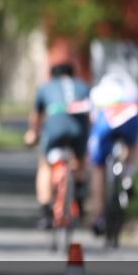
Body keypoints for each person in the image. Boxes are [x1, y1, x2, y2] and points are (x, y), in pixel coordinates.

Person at [23, 62, 91, 230]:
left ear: (52, 75)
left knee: (45, 165)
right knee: (80, 161)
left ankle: (46, 213)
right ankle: (80, 199)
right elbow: (91, 114)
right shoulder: (83, 86)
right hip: (79, 130)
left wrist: (33, 133)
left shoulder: (46, 87)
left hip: (55, 129)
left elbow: (37, 117)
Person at [87, 66, 138, 235]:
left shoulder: (97, 91)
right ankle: (128, 177)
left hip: (106, 121)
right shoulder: (132, 87)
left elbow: (93, 118)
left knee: (98, 167)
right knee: (132, 146)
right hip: (129, 117)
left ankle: (100, 216)